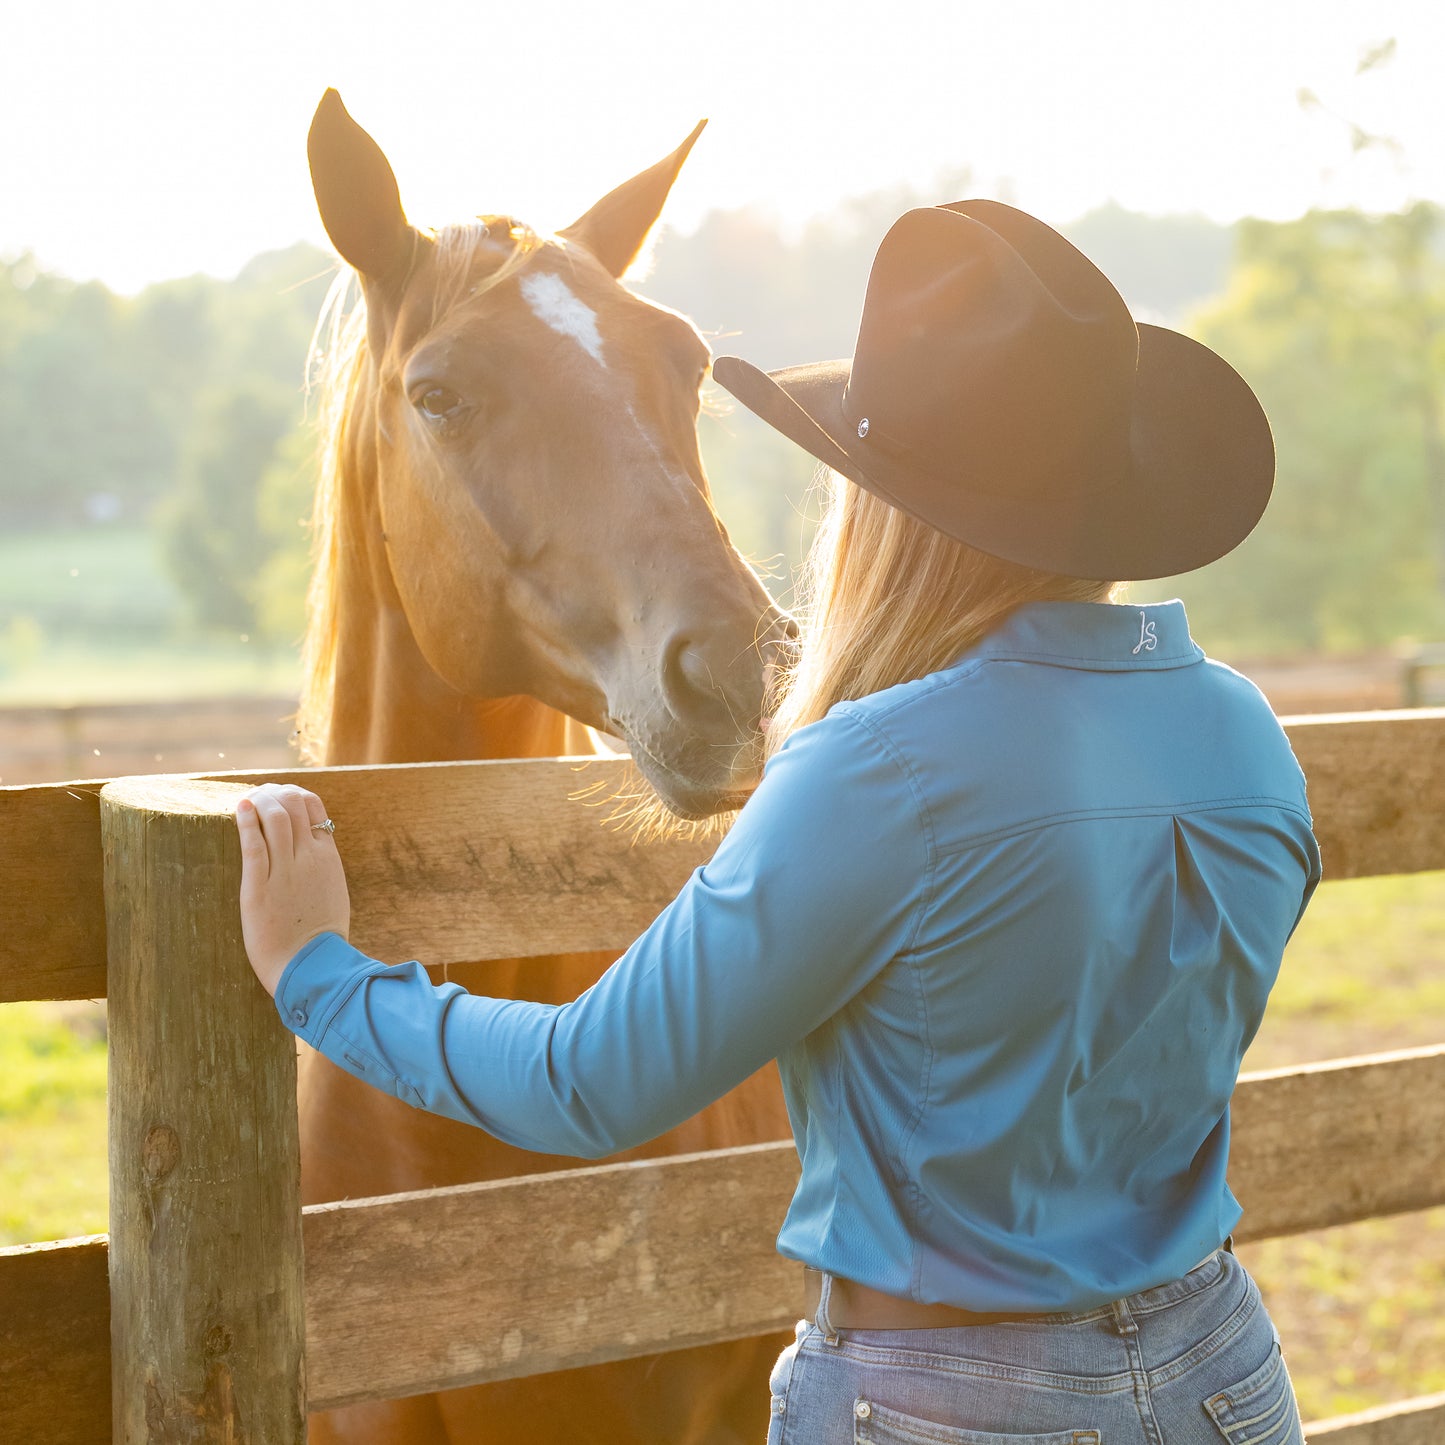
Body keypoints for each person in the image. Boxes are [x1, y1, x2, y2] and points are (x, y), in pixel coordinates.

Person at [237, 201, 1319, 1444]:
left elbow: (585, 1083)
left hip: (945, 1400)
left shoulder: (875, 770)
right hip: (1218, 1366)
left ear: (884, 508)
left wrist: (318, 973)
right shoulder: (1242, 732)